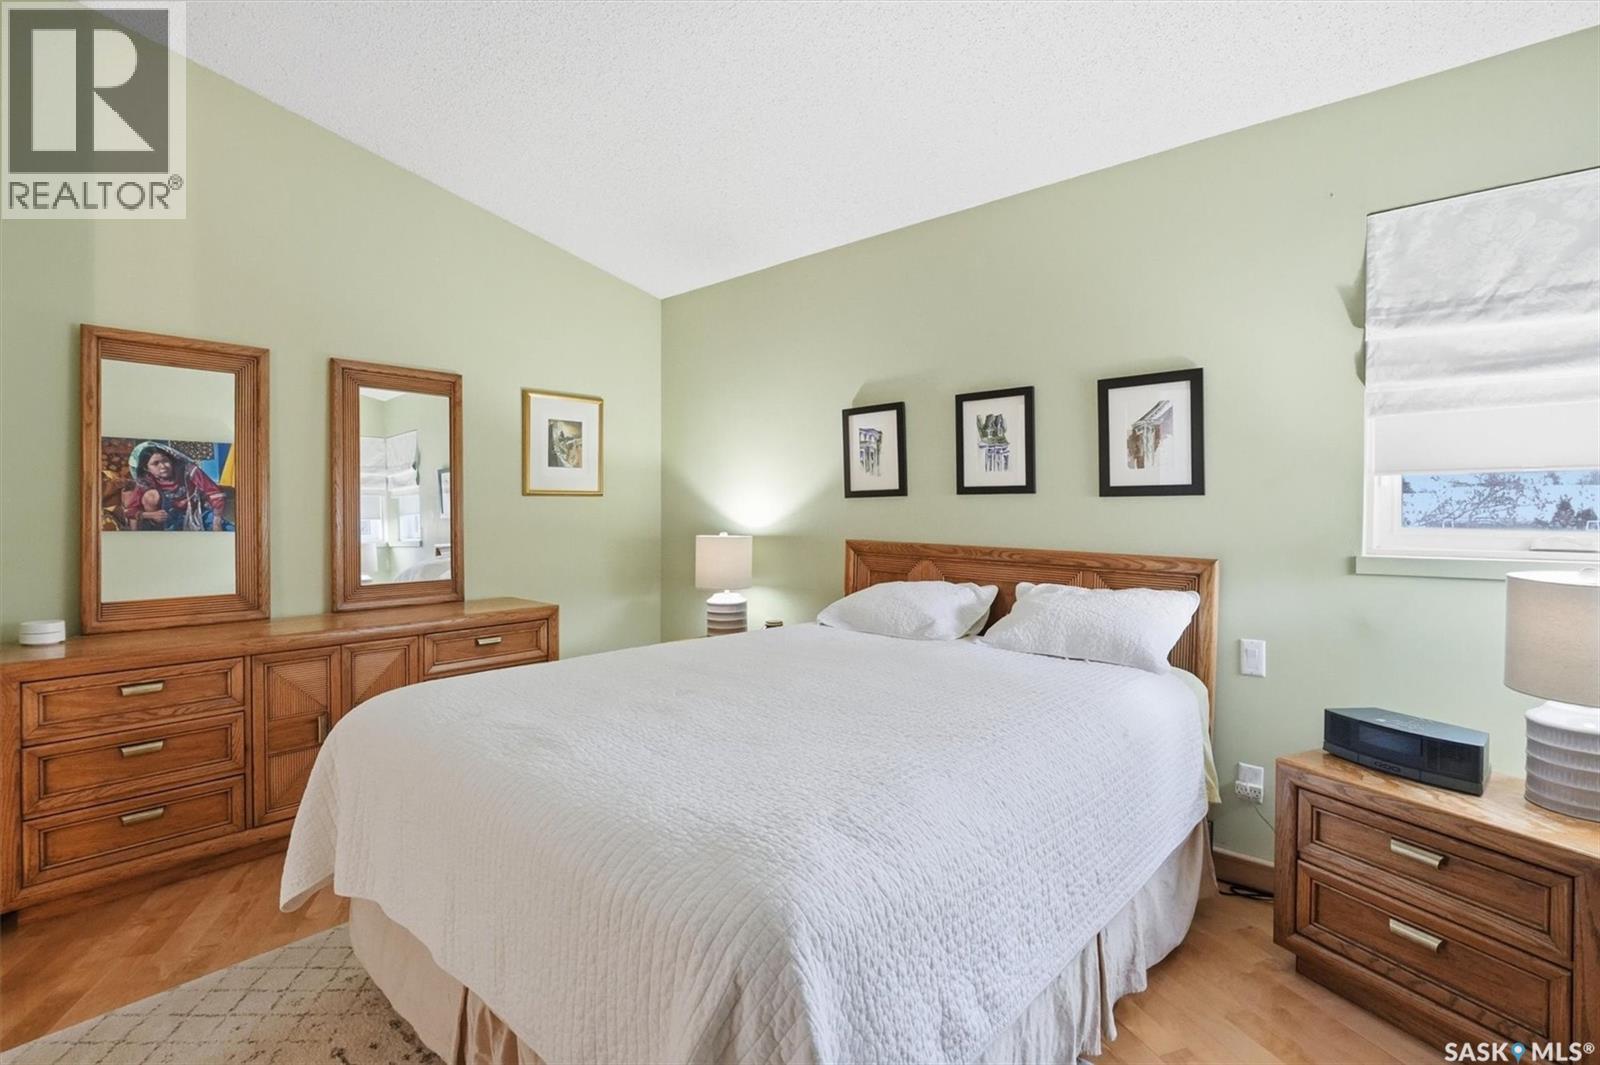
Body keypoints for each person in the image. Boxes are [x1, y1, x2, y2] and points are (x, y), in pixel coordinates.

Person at [122, 441, 234, 532]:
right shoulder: (146, 481)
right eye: (155, 463)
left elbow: (215, 493)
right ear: (146, 468)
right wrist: (150, 515)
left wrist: (216, 522)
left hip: (196, 513)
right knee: (151, 496)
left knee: (231, 531)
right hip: (167, 519)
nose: (163, 466)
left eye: (165, 461)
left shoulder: (188, 470)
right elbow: (129, 511)